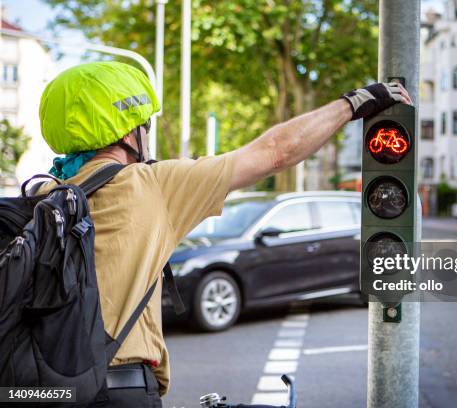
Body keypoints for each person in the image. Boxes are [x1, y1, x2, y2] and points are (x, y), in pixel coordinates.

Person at [38, 61, 412, 406]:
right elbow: (275, 152)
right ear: (130, 131)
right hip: (116, 390)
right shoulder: (151, 184)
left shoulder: (40, 197)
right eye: (146, 125)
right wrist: (355, 103)